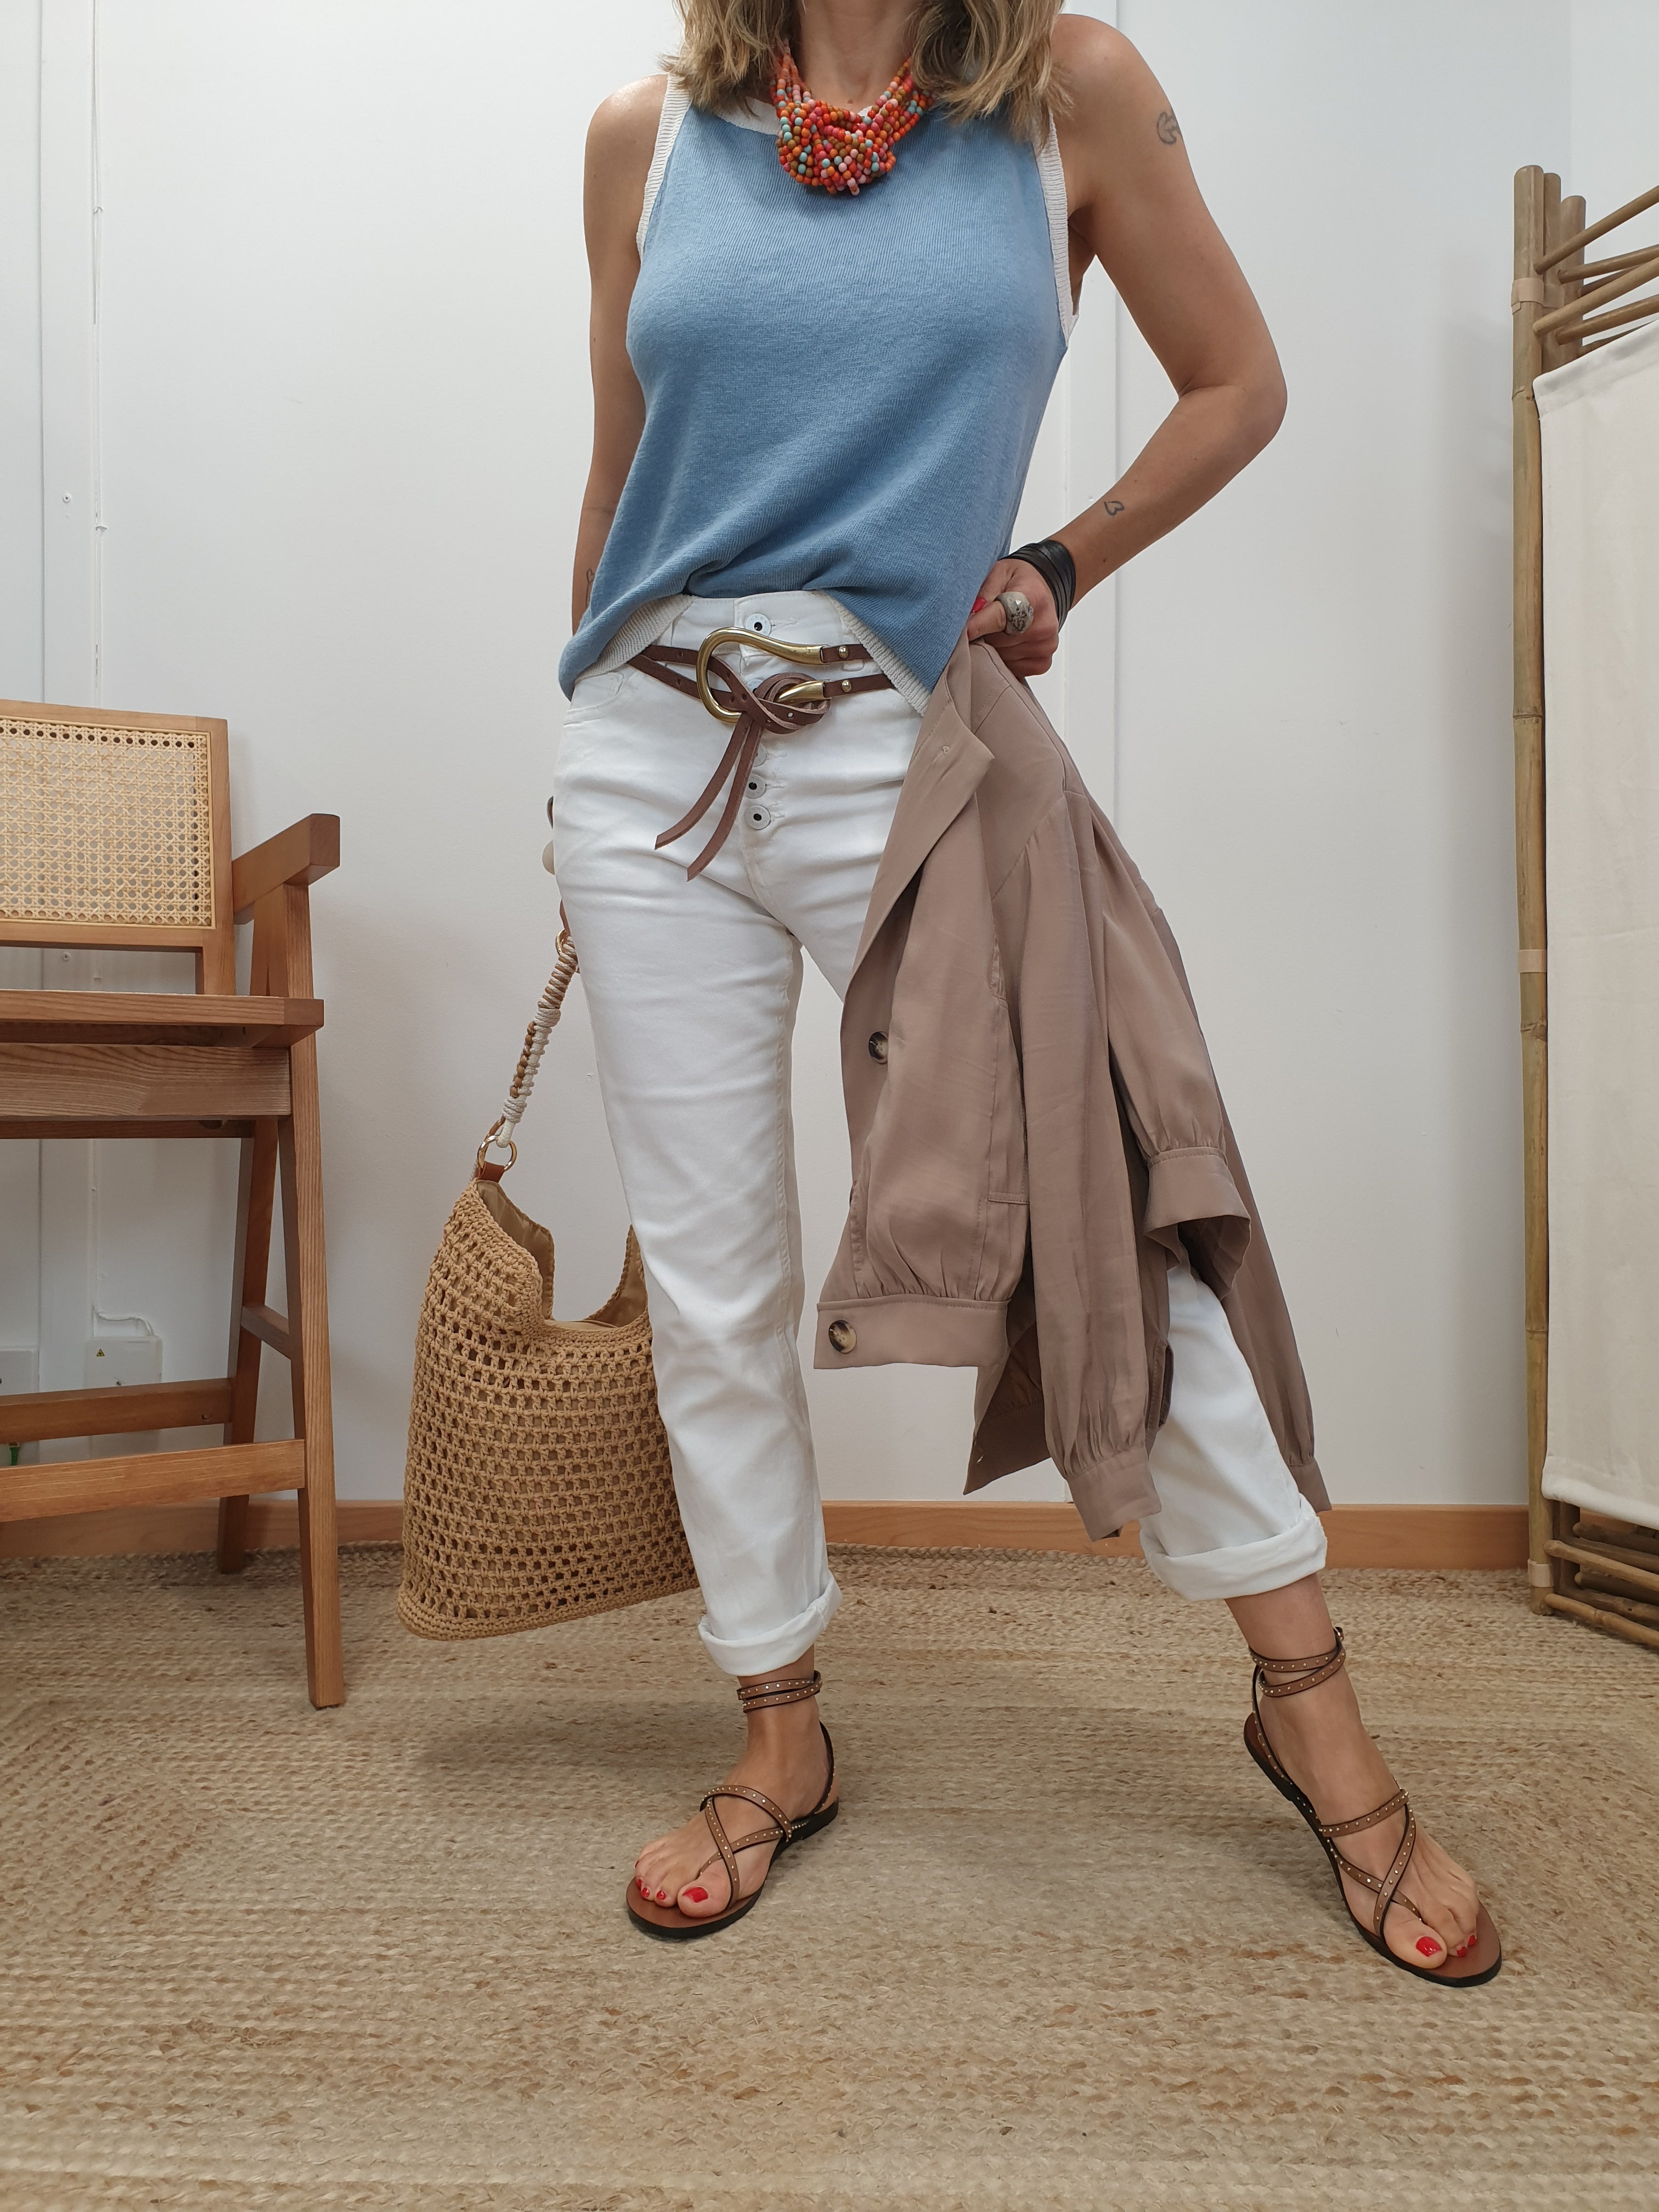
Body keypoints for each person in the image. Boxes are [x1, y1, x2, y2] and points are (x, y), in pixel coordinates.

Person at [551, 0, 1498, 1980]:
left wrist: (1062, 560)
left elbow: (1239, 383)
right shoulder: (647, 133)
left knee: (1107, 1211)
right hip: (650, 756)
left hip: (900, 735)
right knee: (711, 1279)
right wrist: (584, 756)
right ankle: (779, 1733)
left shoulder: (1066, 92)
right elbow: (622, 478)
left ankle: (1311, 1711)